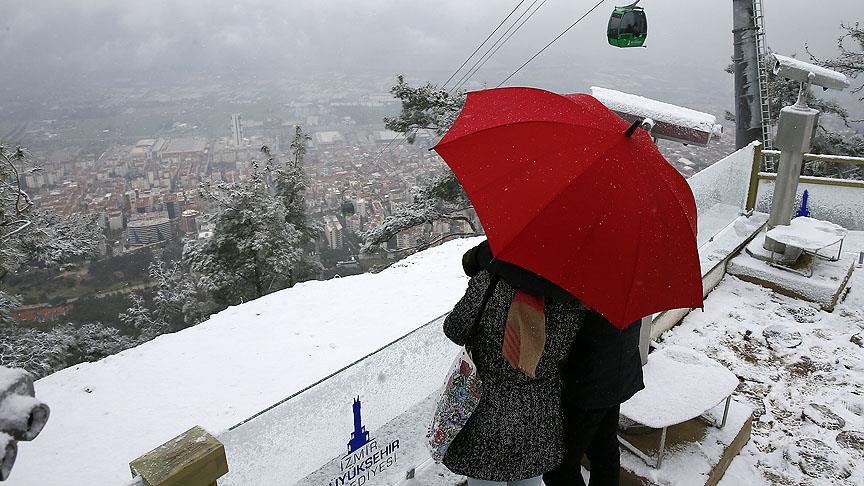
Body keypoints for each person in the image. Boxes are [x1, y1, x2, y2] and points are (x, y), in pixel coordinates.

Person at [441, 240, 586, 486]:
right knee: (529, 481)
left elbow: (455, 329)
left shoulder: (492, 282)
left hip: (486, 407)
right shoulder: (574, 297)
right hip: (538, 413)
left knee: (484, 479)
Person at [542, 312, 644, 486]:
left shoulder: (588, 294)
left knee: (559, 467)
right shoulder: (626, 290)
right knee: (604, 450)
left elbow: (561, 337)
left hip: (588, 382)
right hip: (615, 371)